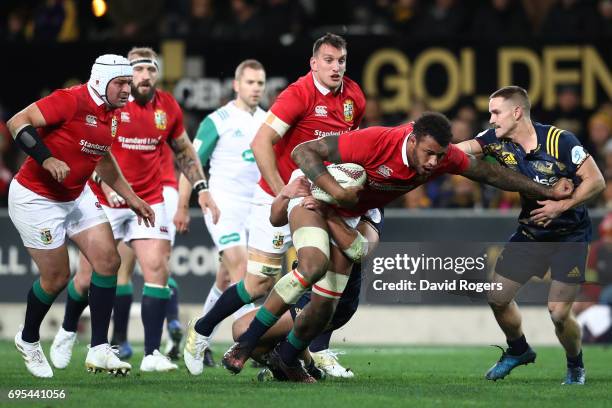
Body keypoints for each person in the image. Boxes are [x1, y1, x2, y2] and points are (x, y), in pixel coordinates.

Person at [224, 111, 575, 382]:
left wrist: (543, 190)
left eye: (440, 156)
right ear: (412, 139)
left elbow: (489, 174)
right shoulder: (376, 141)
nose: (435, 164)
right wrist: (335, 190)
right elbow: (304, 151)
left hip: (350, 216)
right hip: (317, 199)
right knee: (313, 266)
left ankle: (287, 360)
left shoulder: (441, 156)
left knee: (325, 311)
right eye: (429, 154)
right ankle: (244, 345)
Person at [183, 32, 368, 377]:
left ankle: (311, 351)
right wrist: (282, 189)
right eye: (328, 60)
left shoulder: (354, 96)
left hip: (315, 198)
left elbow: (350, 148)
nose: (336, 67)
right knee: (258, 284)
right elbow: (261, 142)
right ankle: (202, 329)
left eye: (341, 60)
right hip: (276, 193)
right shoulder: (298, 94)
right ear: (313, 63)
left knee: (322, 270)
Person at [47, 47, 218, 373]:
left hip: (149, 198)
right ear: (126, 74)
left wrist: (201, 188)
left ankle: (152, 353)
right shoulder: (112, 106)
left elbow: (183, 150)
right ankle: (67, 330)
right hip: (105, 198)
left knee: (157, 268)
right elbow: (88, 150)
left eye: (151, 70)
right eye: (138, 71)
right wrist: (106, 184)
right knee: (86, 276)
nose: (145, 76)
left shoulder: (167, 106)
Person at [7, 54, 155, 378]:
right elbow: (17, 121)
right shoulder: (69, 100)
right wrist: (46, 159)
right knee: (57, 278)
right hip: (36, 198)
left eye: (128, 83)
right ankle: (28, 338)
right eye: (120, 83)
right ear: (101, 81)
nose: (126, 90)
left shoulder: (112, 114)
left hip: (76, 194)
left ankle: (100, 349)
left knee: (108, 261)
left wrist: (132, 198)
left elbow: (102, 160)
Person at [456, 86, 605, 385]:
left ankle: (575, 365)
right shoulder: (495, 140)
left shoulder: (560, 140)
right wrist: (421, 149)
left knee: (559, 314)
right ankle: (518, 350)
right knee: (497, 297)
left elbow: (596, 181)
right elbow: (460, 150)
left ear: (517, 112)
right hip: (531, 234)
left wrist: (563, 205)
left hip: (570, 236)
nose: (491, 118)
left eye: (495, 112)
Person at [175, 59, 267, 368]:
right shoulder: (218, 120)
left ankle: (199, 336)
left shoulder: (268, 122)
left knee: (228, 278)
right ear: (236, 85)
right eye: (250, 82)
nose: (256, 88)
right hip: (223, 206)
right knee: (242, 269)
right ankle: (249, 345)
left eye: (260, 83)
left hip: (256, 210)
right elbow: (192, 162)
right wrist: (181, 205)